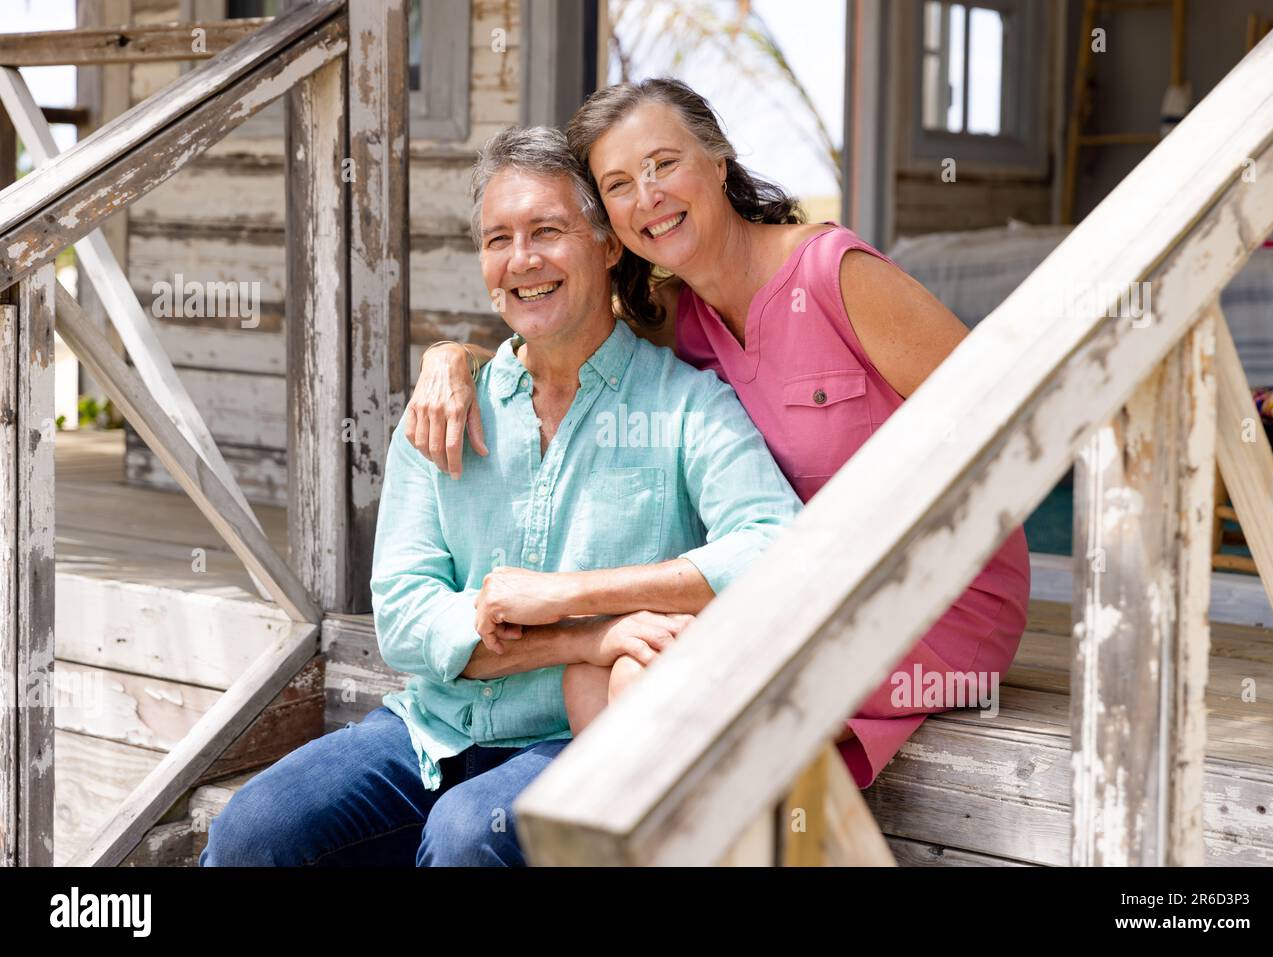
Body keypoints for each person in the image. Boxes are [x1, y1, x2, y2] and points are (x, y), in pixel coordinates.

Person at [197, 124, 800, 867]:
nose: (522, 260)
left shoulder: (685, 406)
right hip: (434, 728)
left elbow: (776, 545)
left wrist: (568, 595)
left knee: (467, 836)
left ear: (608, 245)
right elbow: (405, 620)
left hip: (577, 734)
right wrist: (583, 637)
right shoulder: (445, 408)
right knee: (254, 828)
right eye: (497, 240)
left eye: (547, 231)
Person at [404, 78, 1031, 790]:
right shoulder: (677, 315)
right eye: (618, 184)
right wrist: (449, 359)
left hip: (933, 595)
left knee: (644, 685)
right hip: (795, 594)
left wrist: (565, 594)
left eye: (663, 164)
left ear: (719, 161)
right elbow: (557, 343)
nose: (648, 196)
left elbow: (1006, 413)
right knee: (592, 678)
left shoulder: (834, 274)